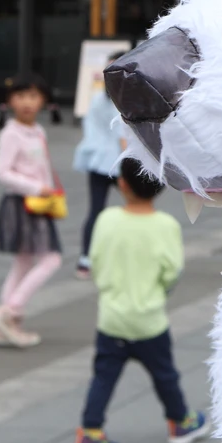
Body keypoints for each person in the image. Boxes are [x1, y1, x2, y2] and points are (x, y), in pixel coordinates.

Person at [71, 156, 209, 443]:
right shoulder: (166, 226)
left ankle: (90, 432)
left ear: (121, 183)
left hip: (112, 318)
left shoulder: (106, 219)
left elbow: (95, 260)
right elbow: (171, 271)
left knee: (103, 377)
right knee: (165, 374)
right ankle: (180, 422)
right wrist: (159, 290)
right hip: (149, 320)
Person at [0, 72, 64, 348]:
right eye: (20, 96)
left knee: (23, 262)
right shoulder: (11, 133)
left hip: (38, 204)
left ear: (43, 100)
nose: (27, 102)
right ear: (10, 101)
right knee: (51, 259)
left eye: (33, 96)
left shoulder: (37, 131)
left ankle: (5, 329)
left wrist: (46, 189)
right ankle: (10, 312)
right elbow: (1, 171)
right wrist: (36, 187)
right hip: (22, 204)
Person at [73, 55, 128, 279]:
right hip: (116, 162)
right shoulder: (121, 100)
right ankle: (124, 255)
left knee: (95, 209)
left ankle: (85, 259)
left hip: (96, 161)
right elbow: (122, 137)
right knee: (137, 208)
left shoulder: (97, 99)